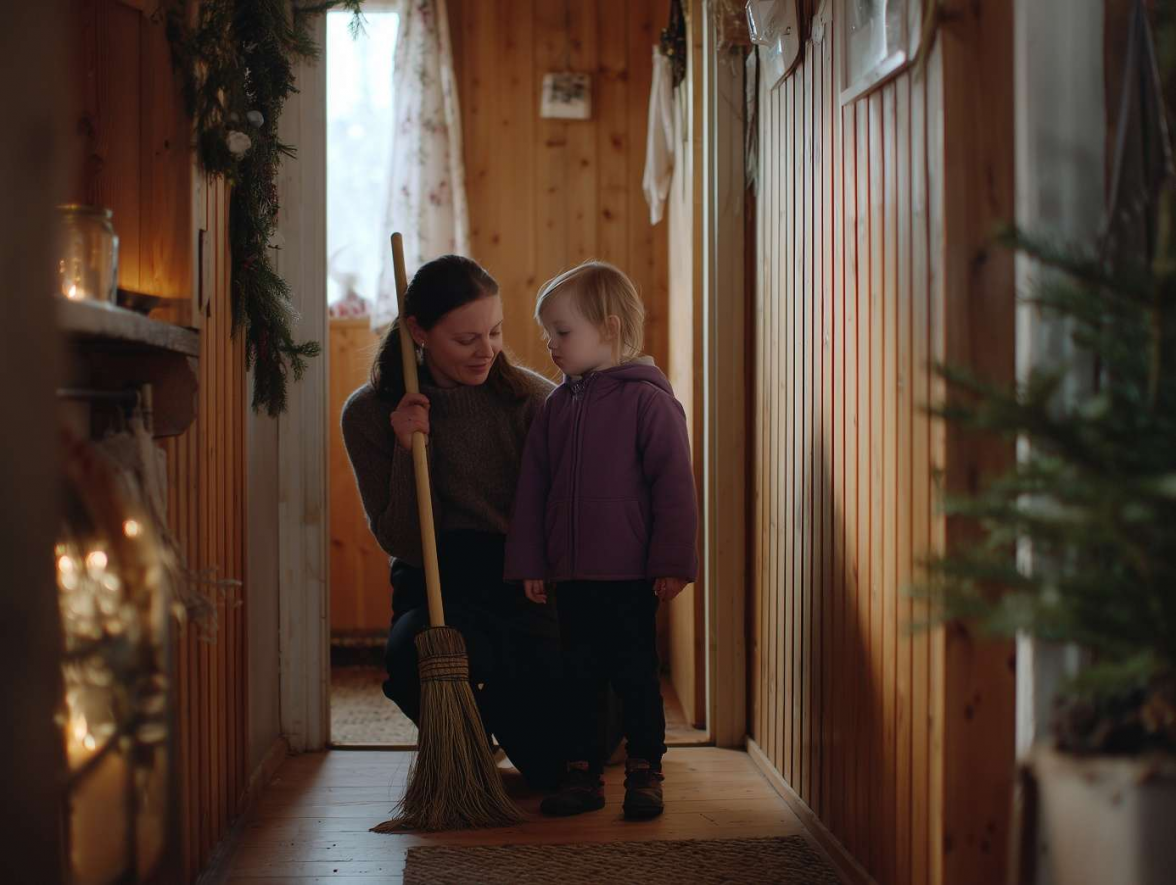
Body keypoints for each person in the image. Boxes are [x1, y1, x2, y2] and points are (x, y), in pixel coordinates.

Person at [341, 254, 565, 790]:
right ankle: (468, 739)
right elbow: (401, 541)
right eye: (466, 340)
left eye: (495, 331)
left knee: (557, 763)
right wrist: (404, 449)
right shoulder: (369, 414)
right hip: (434, 577)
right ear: (418, 331)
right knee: (409, 659)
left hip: (522, 578)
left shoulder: (534, 402)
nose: (486, 350)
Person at [505, 260, 699, 819]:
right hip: (572, 576)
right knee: (578, 678)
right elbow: (533, 490)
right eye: (548, 334)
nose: (551, 346)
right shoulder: (556, 409)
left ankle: (645, 771)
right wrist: (531, 562)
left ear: (609, 329)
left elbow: (675, 488)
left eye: (562, 332)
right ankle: (582, 775)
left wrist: (673, 561)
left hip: (631, 576)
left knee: (636, 674)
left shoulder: (649, 402)